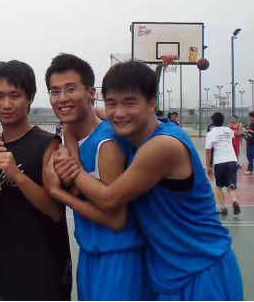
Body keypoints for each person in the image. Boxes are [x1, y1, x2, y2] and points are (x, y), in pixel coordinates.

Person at [64, 61, 242, 301]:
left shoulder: (162, 146)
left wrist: (69, 169)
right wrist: (70, 131)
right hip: (166, 272)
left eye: (130, 103)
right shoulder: (136, 126)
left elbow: (109, 199)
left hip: (202, 270)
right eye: (111, 103)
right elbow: (92, 114)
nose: (119, 113)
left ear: (152, 104)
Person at [43, 54, 146, 301]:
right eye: (55, 91)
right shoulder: (73, 133)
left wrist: (58, 192)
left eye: (71, 89)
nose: (62, 98)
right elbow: (69, 127)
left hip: (118, 260)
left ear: (91, 93)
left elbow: (116, 220)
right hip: (90, 255)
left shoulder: (106, 143)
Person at [0, 61, 72, 301]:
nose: (6, 104)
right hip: (1, 267)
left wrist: (17, 175)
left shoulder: (48, 144)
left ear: (30, 97)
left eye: (15, 96)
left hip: (43, 269)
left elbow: (55, 210)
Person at [205, 113, 241, 216]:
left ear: (212, 122)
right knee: (231, 185)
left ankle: (223, 208)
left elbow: (208, 150)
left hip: (219, 162)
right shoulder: (229, 130)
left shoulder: (210, 134)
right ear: (223, 121)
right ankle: (234, 200)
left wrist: (208, 167)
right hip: (232, 160)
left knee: (218, 187)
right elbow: (232, 138)